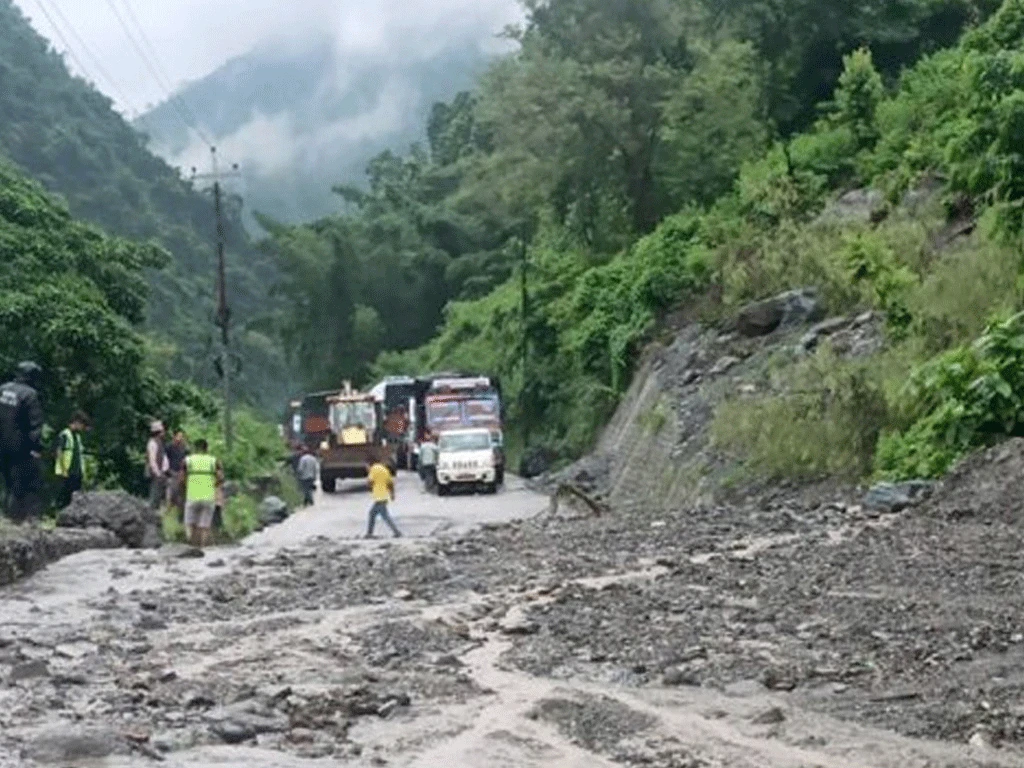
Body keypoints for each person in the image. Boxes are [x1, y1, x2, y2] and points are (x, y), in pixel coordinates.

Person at [0, 362, 45, 523]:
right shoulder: (30, 395)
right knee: (24, 483)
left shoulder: (3, 389)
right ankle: (17, 518)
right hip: (20, 447)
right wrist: (36, 447)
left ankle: (5, 515)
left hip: (1, 444)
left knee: (7, 481)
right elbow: (35, 425)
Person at [181, 438, 222, 550]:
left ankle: (191, 546)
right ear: (206, 448)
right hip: (208, 497)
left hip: (192, 495)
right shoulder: (214, 460)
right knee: (204, 526)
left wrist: (186, 486)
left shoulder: (188, 460)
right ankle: (202, 548)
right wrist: (213, 484)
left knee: (189, 523)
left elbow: (181, 478)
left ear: (195, 448)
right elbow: (220, 477)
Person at [54, 411, 88, 508]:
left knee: (75, 496)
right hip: (67, 471)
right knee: (65, 495)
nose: (82, 428)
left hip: (77, 471)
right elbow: (59, 451)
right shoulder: (65, 434)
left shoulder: (77, 436)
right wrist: (63, 469)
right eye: (81, 424)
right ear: (76, 422)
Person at [365, 450, 401, 539]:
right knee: (373, 514)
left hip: (379, 497)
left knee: (384, 516)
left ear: (369, 463)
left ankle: (397, 532)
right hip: (384, 496)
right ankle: (369, 533)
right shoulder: (384, 469)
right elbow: (390, 483)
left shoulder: (373, 469)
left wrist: (369, 487)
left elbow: (369, 482)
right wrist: (392, 494)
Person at [145, 421, 170, 511]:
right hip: (156, 474)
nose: (164, 433)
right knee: (154, 495)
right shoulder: (152, 443)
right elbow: (152, 461)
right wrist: (158, 473)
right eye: (162, 431)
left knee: (159, 495)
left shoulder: (159, 443)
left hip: (161, 473)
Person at [165, 430, 189, 518]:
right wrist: (168, 471)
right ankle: (167, 514)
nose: (181, 438)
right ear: (174, 437)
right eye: (179, 436)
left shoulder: (184, 448)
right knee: (171, 495)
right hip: (172, 473)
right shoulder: (169, 447)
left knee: (182, 497)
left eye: (182, 436)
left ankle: (181, 516)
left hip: (182, 474)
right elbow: (165, 460)